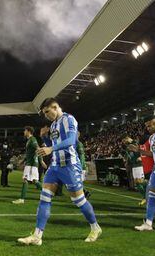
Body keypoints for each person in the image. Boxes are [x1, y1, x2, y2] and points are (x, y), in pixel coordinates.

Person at [17, 98, 101, 245]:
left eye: (47, 112)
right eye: (44, 113)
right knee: (44, 199)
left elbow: (71, 141)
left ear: (55, 107)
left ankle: (95, 228)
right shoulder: (54, 124)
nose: (46, 116)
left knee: (79, 201)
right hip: (55, 166)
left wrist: (50, 148)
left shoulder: (69, 119)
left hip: (69, 166)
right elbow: (55, 144)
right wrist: (45, 138)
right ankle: (37, 236)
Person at [12, 126, 45, 204]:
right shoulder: (29, 140)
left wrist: (41, 161)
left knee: (26, 179)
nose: (24, 132)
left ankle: (22, 199)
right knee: (34, 181)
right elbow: (28, 154)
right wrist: (22, 161)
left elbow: (38, 149)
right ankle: (48, 194)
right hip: (30, 163)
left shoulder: (32, 140)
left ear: (29, 131)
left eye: (25, 131)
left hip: (31, 163)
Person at [123, 136, 145, 204]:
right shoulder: (128, 147)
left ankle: (147, 196)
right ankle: (145, 196)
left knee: (140, 182)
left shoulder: (134, 144)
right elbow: (130, 156)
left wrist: (141, 157)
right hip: (134, 166)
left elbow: (141, 151)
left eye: (125, 140)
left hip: (139, 165)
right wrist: (127, 161)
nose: (124, 142)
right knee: (137, 183)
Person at [77, 132, 91, 199]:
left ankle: (85, 193)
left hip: (80, 166)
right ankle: (84, 193)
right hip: (77, 166)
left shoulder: (78, 144)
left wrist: (80, 166)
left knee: (77, 182)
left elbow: (81, 156)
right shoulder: (74, 143)